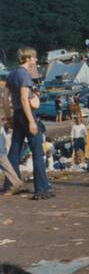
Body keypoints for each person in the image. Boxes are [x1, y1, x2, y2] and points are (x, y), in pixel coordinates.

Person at [3, 47, 53, 200]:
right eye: (34, 58)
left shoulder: (11, 74)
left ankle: (11, 184)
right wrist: (31, 120)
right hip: (26, 115)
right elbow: (25, 99)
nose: (36, 60)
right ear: (28, 58)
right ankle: (41, 189)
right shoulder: (24, 75)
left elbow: (5, 98)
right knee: (37, 151)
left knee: (14, 151)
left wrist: (9, 117)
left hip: (17, 114)